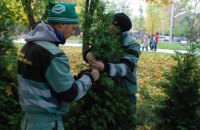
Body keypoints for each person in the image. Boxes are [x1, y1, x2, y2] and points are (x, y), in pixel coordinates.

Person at [17, 1, 99, 130]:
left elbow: (45, 81)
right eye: (73, 27)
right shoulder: (52, 53)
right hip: (47, 124)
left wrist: (78, 77)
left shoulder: (28, 47)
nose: (73, 32)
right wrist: (90, 77)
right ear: (62, 24)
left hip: (29, 122)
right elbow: (70, 94)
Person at [85, 13, 140, 106]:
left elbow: (127, 68)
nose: (108, 25)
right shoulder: (105, 39)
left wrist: (105, 67)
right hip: (104, 89)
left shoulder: (132, 45)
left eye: (112, 23)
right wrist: (87, 54)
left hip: (125, 92)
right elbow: (92, 52)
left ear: (119, 28)